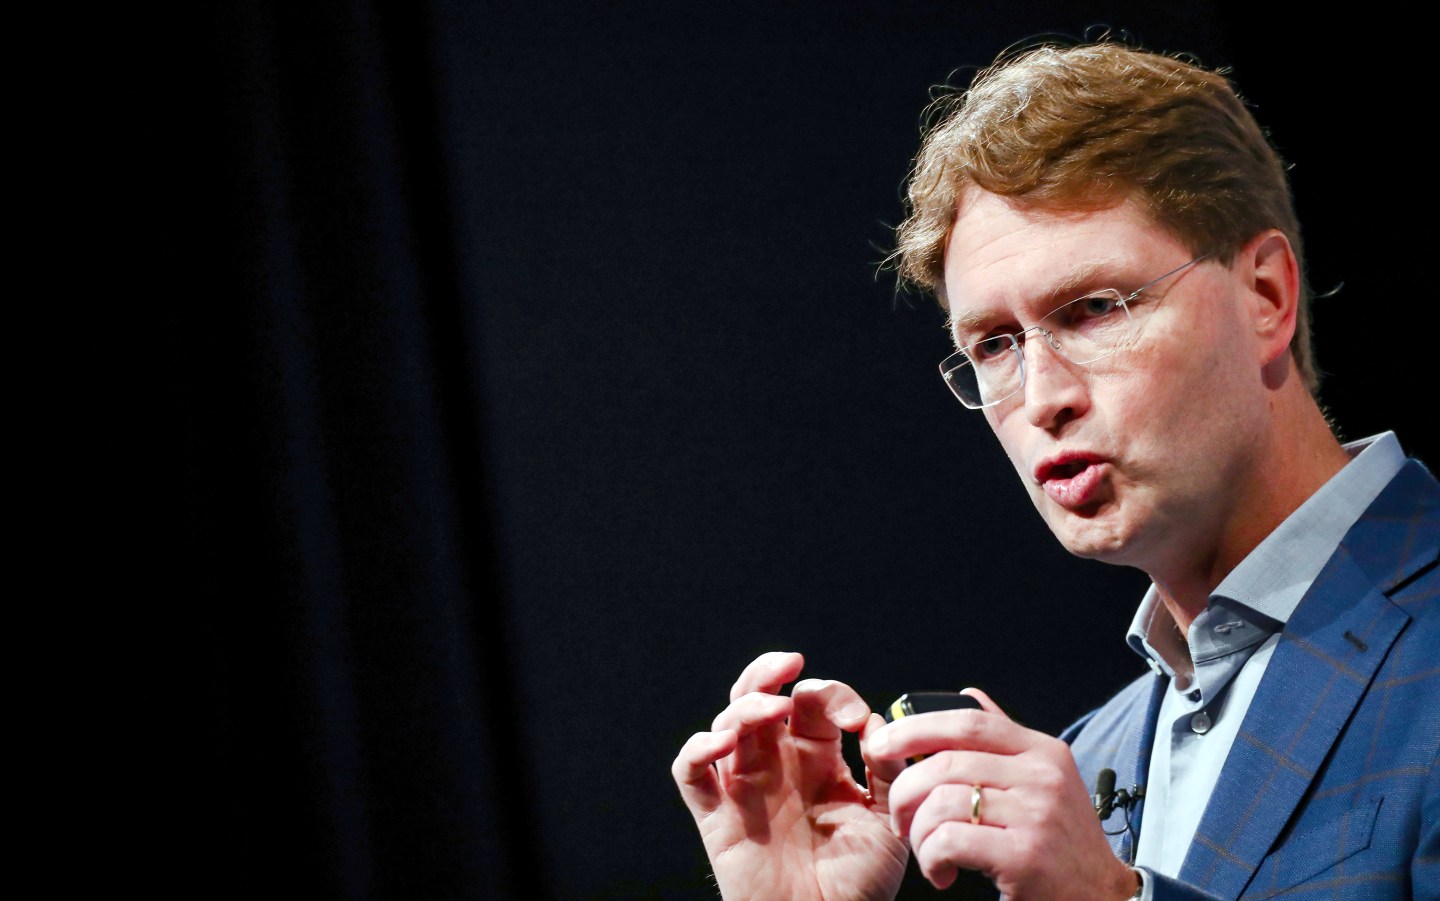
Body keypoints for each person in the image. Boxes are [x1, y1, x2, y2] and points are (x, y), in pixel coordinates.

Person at [671, 38, 1438, 900]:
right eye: (995, 344)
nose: (1042, 398)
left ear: (1264, 296)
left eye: (1094, 309)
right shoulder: (1093, 755)